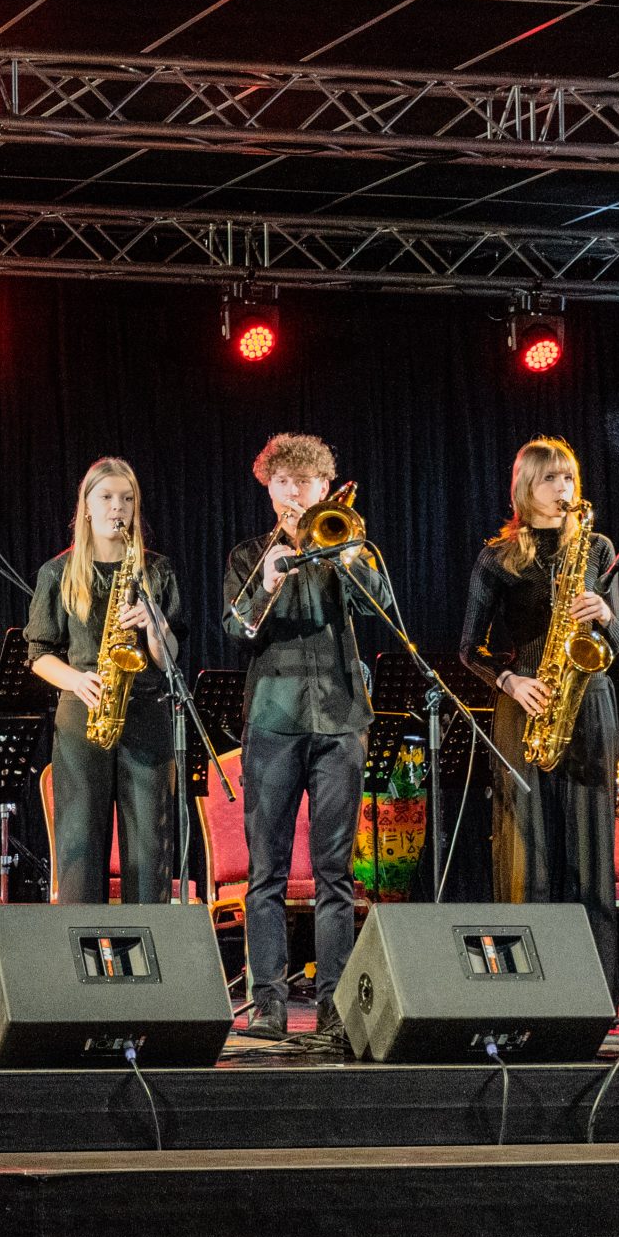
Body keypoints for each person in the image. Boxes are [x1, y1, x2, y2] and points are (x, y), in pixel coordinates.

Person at [223, 432, 397, 1034]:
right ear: (268, 489)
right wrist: (268, 583)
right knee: (265, 873)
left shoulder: (346, 543)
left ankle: (334, 1006)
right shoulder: (250, 555)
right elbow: (236, 630)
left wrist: (347, 559)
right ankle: (268, 1003)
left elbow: (383, 610)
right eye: (283, 482)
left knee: (334, 874)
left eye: (305, 481)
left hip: (341, 721)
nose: (294, 492)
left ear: (326, 487)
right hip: (273, 721)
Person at [458, 436, 619, 997]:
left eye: (569, 477)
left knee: (591, 842)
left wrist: (605, 614)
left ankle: (595, 986)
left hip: (589, 700)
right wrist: (510, 680)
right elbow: (469, 649)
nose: (563, 488)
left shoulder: (597, 548)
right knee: (526, 844)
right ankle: (527, 986)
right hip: (526, 701)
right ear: (526, 487)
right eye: (551, 478)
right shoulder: (498, 556)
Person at [26, 457, 185, 908]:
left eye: (127, 499)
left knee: (151, 852)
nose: (119, 508)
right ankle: (82, 947)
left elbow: (169, 658)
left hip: (147, 711)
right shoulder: (57, 572)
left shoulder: (156, 570)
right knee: (79, 845)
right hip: (84, 713)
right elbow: (39, 654)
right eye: (108, 497)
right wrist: (76, 680)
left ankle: (147, 947)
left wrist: (155, 624)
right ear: (87, 507)